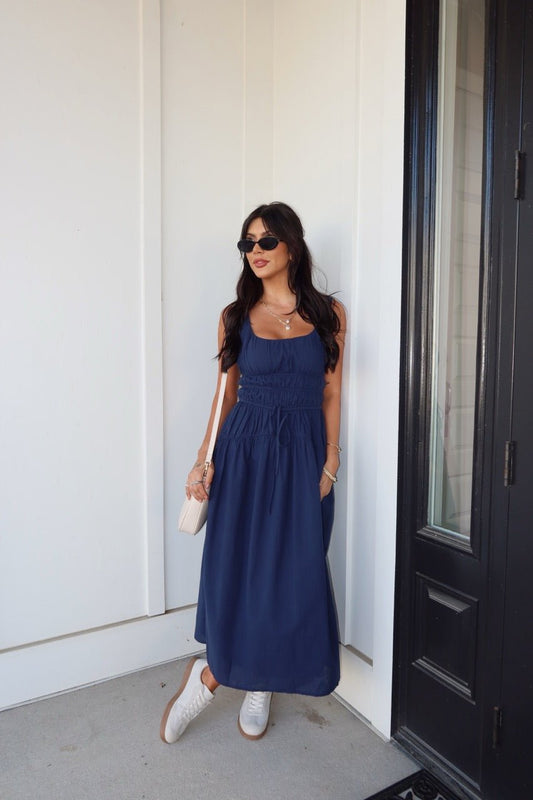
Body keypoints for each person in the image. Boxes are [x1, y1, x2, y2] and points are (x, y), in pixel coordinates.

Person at [160, 201, 346, 744]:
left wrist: (331, 460)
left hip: (305, 458)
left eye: (266, 241)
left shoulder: (331, 314)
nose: (256, 252)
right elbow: (225, 396)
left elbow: (332, 390)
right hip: (244, 455)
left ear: (292, 244)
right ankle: (213, 678)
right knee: (239, 574)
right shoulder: (235, 315)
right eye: (248, 243)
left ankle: (251, 680)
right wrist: (203, 461)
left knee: (292, 578)